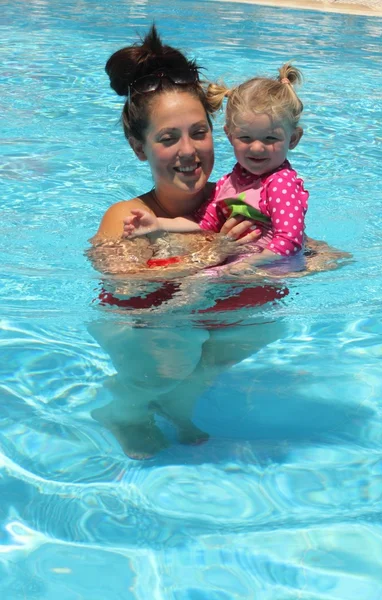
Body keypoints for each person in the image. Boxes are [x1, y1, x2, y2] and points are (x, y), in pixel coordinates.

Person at [88, 25, 348, 459]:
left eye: (199, 132)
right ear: (139, 147)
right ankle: (126, 409)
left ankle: (178, 401)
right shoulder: (129, 216)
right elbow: (125, 287)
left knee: (265, 323)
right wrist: (214, 253)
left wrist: (318, 258)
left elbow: (296, 243)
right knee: (179, 345)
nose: (189, 151)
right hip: (146, 331)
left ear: (218, 133)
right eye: (168, 138)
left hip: (208, 317)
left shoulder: (235, 197)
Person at [122, 65, 308, 274]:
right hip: (241, 268)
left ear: (293, 139)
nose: (257, 147)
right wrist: (158, 224)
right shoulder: (230, 182)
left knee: (198, 278)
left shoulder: (281, 183)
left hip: (267, 270)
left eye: (271, 138)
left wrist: (248, 264)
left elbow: (290, 241)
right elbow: (203, 223)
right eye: (245, 137)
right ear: (230, 136)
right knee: (196, 277)